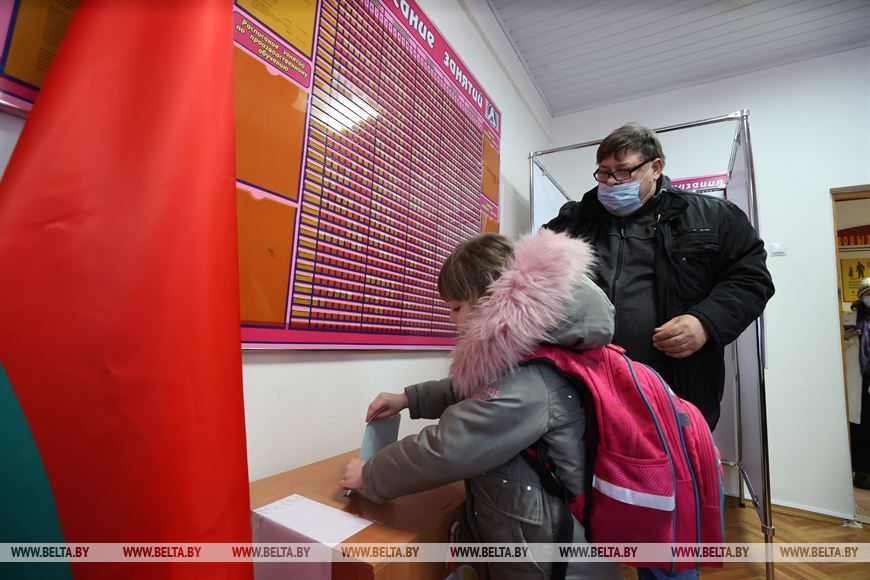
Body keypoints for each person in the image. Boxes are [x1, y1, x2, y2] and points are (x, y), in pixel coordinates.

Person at [341, 230, 622, 579]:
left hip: (554, 565)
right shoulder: (541, 350)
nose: (453, 319)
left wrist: (370, 474)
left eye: (457, 307)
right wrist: (410, 399)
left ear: (491, 297)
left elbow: (449, 448)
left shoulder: (532, 381)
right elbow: (480, 389)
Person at [545, 123, 775, 430]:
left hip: (675, 389)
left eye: (623, 172)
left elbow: (751, 279)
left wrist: (706, 322)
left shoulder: (713, 215)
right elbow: (533, 277)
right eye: (604, 172)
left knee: (673, 459)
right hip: (587, 387)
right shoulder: (574, 220)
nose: (611, 182)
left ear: (655, 168)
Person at [851, 278, 870, 490]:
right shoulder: (851, 319)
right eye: (867, 293)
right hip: (859, 380)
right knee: (860, 427)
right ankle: (861, 472)